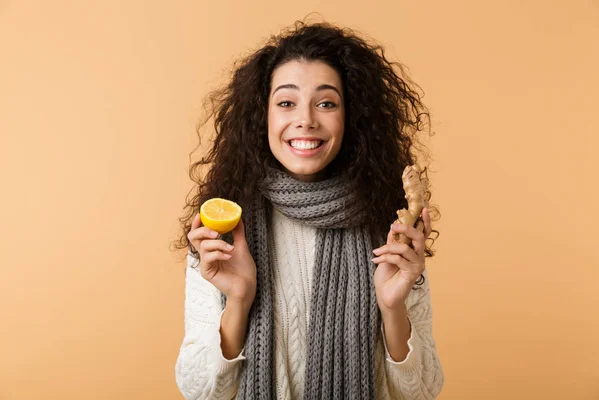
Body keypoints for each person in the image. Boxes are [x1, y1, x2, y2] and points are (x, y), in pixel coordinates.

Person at [173, 19, 444, 400]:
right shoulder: (222, 231)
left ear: (352, 117)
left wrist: (392, 307)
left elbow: (423, 391)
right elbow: (199, 392)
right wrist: (238, 300)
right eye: (286, 102)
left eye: (326, 103)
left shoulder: (391, 229)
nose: (305, 120)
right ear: (261, 115)